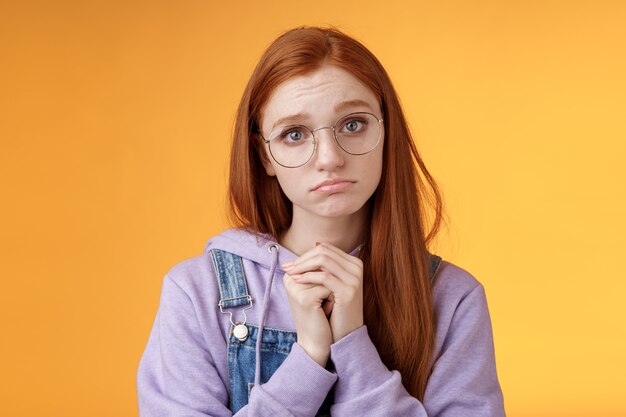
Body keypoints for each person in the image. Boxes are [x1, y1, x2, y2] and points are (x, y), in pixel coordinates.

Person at [137, 26, 506, 416]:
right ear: (264, 157)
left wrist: (351, 344)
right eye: (294, 134)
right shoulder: (196, 293)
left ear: (387, 131)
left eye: (353, 124)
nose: (329, 157)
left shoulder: (453, 298)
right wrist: (308, 360)